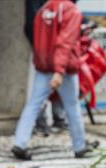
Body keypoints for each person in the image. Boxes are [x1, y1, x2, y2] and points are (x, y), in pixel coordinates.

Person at [12, 0, 98, 160]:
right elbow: (64, 43)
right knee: (72, 106)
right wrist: (59, 71)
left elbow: (34, 34)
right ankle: (79, 146)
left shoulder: (45, 8)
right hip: (64, 69)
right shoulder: (71, 11)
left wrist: (43, 61)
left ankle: (20, 143)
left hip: (43, 66)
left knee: (33, 104)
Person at [24, 0, 67, 136]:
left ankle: (54, 117)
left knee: (44, 88)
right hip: (44, 44)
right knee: (41, 89)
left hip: (47, 43)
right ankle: (42, 119)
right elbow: (31, 21)